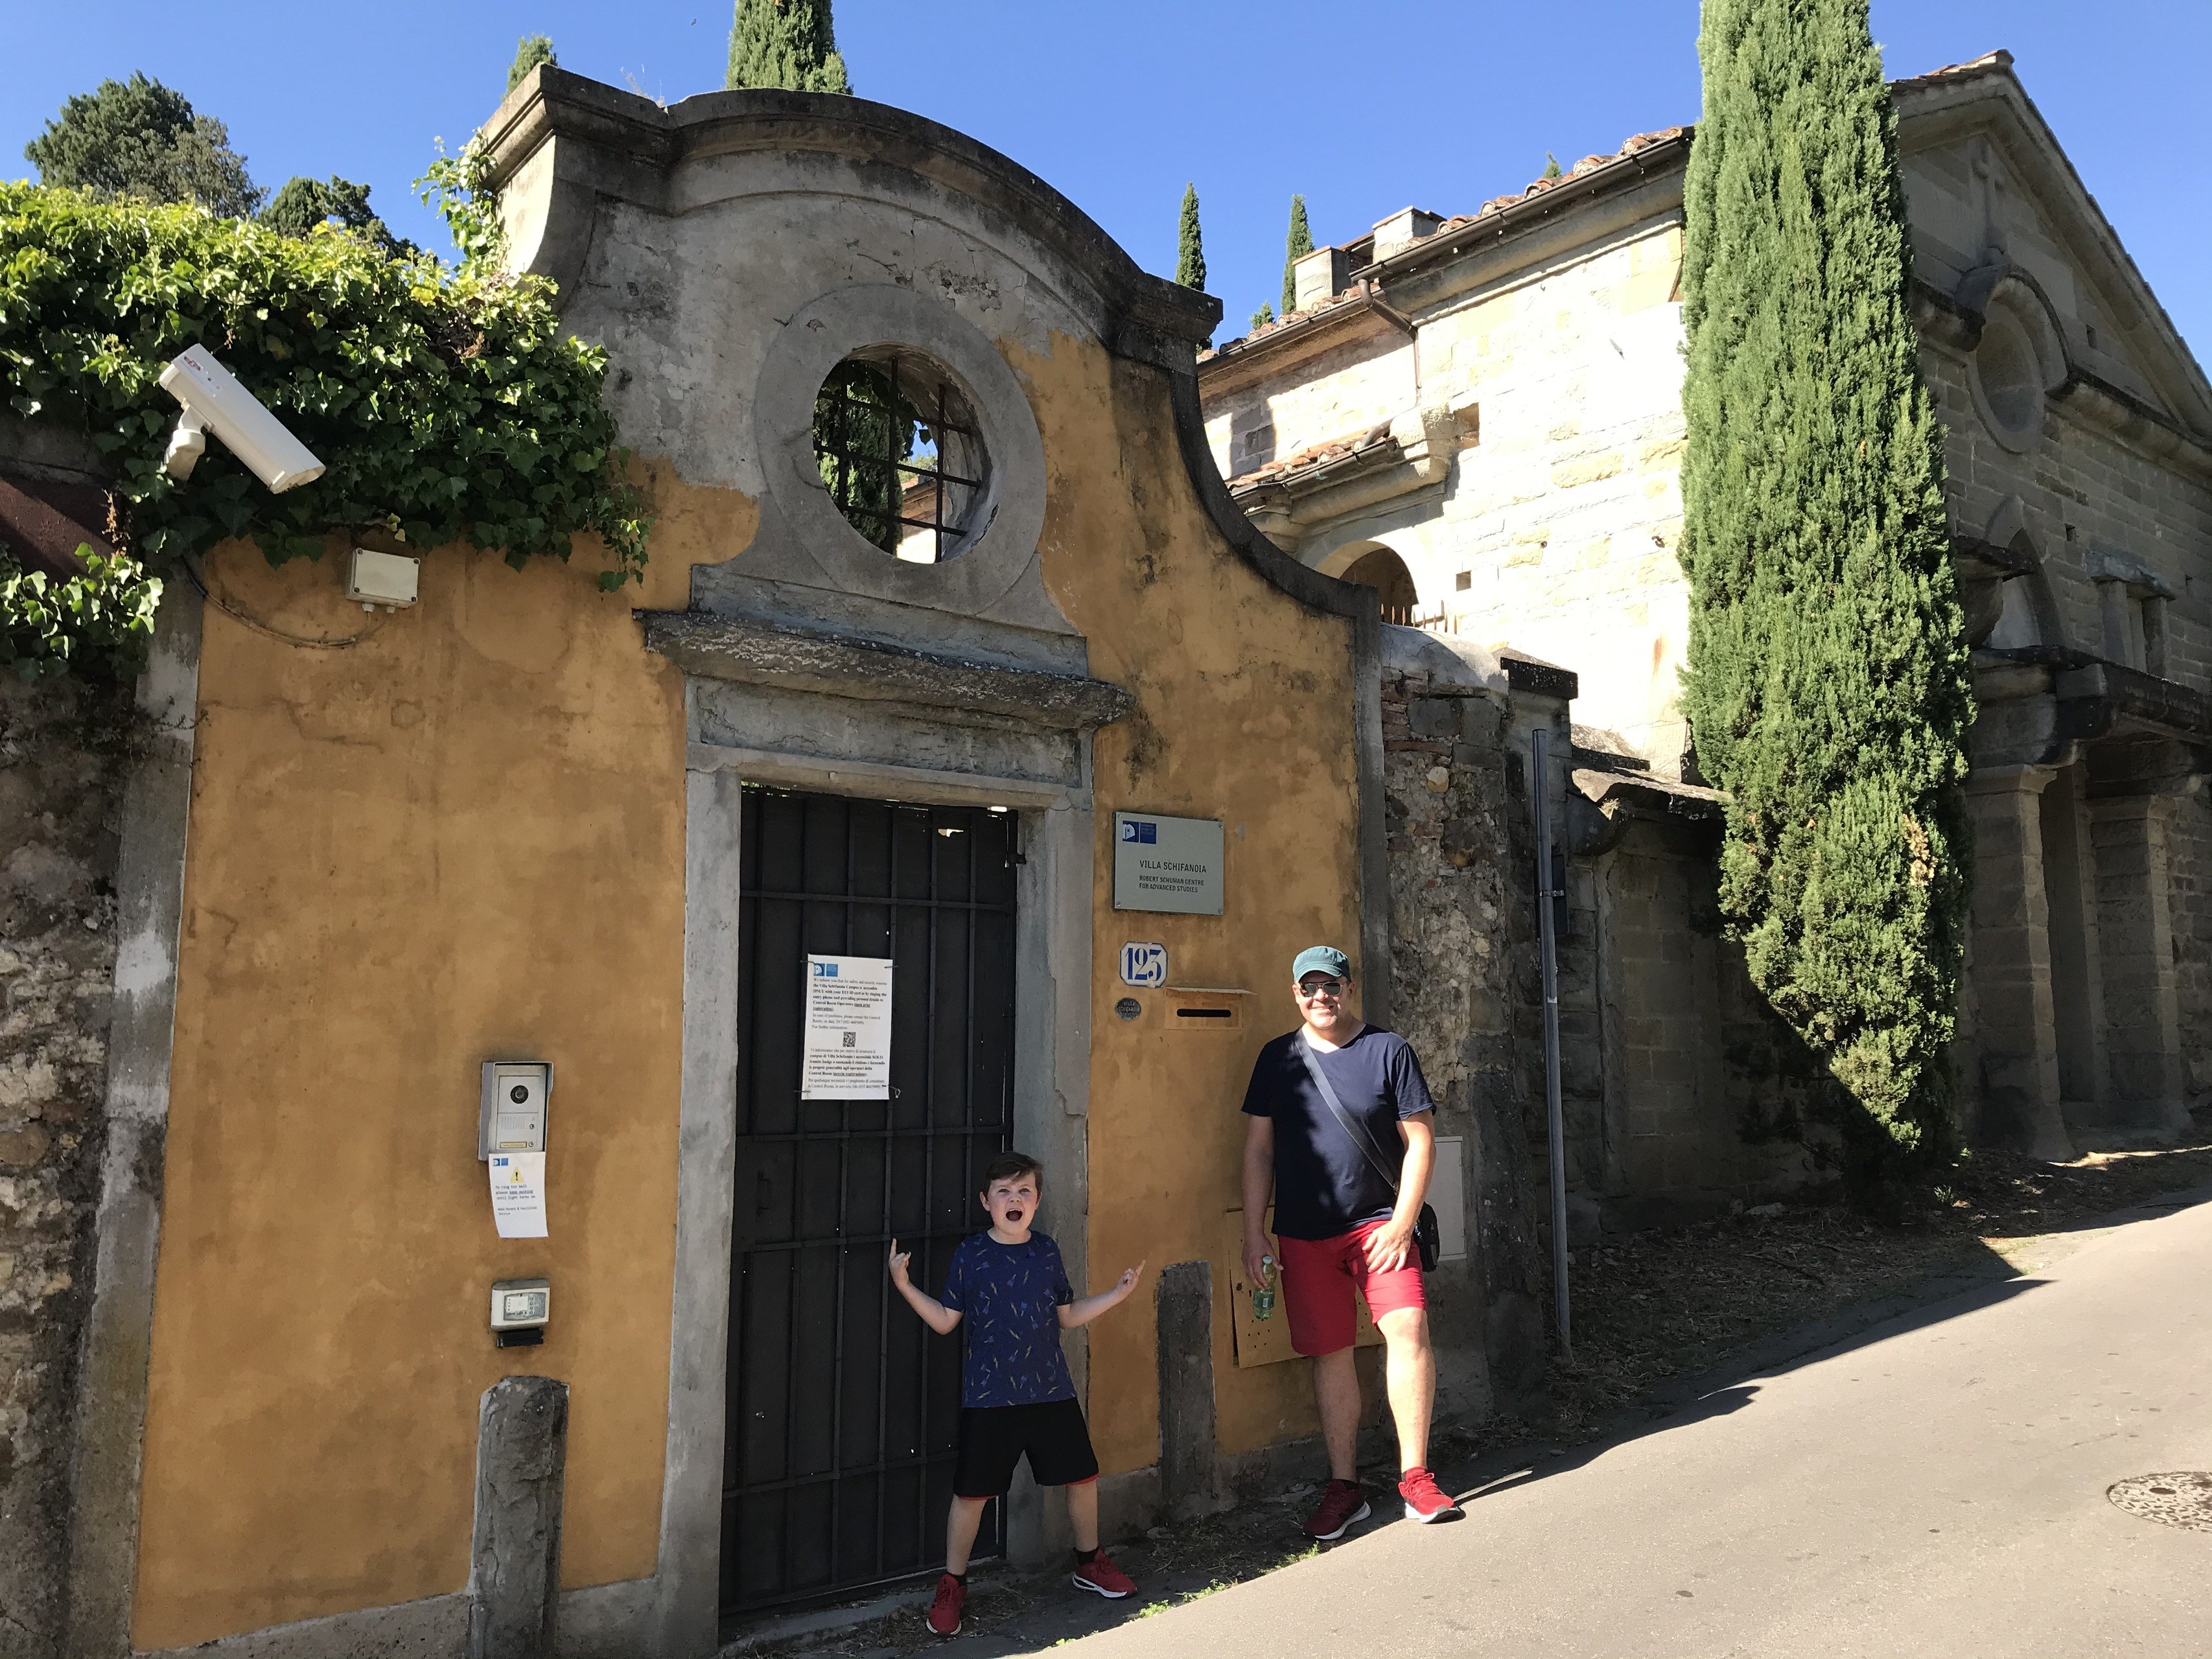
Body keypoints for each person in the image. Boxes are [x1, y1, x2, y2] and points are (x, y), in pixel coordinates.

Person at [1240, 944, 1464, 1538]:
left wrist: (1400, 1221)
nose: (1322, 997)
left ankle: (1416, 1479)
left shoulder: (1387, 1051)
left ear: (1348, 988)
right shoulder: (1275, 1060)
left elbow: (1420, 1142)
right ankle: (1344, 1487)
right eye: (1310, 987)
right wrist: (1252, 1234)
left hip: (1378, 1226)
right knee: (1329, 1353)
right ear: (1294, 993)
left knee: (1408, 1329)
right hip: (1303, 1232)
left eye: (1332, 986)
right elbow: (1259, 1151)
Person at [889, 1150, 1145, 1638]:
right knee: (970, 1495)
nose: (1014, 1199)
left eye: (1024, 1190)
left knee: (1083, 1478)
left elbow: (1064, 1316)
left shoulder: (1046, 1251)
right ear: (986, 1202)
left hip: (1051, 1390)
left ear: (1037, 1200)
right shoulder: (970, 1254)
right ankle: (953, 1584)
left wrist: (1115, 1295)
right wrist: (903, 1285)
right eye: (1004, 1191)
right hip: (990, 1398)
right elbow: (946, 1321)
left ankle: (1088, 1563)